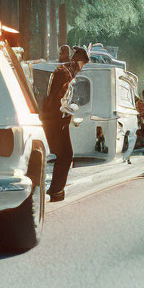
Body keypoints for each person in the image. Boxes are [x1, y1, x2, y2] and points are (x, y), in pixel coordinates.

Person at [42, 46, 89, 201]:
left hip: (53, 118)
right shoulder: (67, 72)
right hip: (57, 119)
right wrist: (68, 108)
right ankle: (56, 191)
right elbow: (60, 97)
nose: (83, 69)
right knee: (66, 155)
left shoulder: (64, 70)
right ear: (81, 61)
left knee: (62, 155)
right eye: (84, 65)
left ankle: (56, 190)